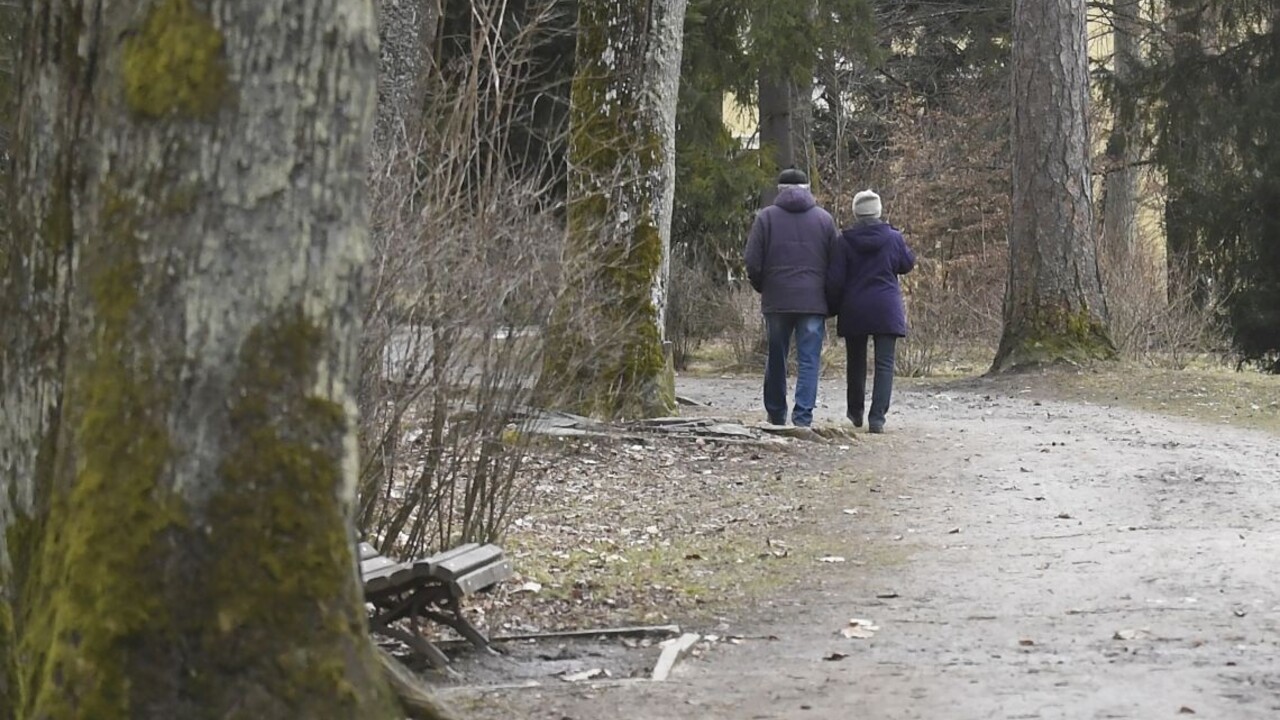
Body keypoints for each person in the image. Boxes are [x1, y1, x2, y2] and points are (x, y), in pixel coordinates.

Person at [744, 168, 839, 427]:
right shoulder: (824, 220)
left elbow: (752, 261)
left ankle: (776, 413)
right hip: (813, 301)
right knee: (809, 360)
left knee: (777, 358)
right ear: (808, 188)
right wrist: (829, 299)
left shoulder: (765, 218)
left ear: (779, 190)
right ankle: (803, 417)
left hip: (777, 299)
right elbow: (836, 264)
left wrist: (764, 287)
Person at [826, 189, 915, 433]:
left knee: (855, 362)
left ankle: (855, 412)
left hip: (854, 308)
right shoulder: (893, 238)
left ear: (856, 213)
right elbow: (907, 264)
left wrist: (832, 307)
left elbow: (835, 280)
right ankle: (877, 418)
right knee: (885, 364)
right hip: (886, 307)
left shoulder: (844, 241)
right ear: (878, 211)